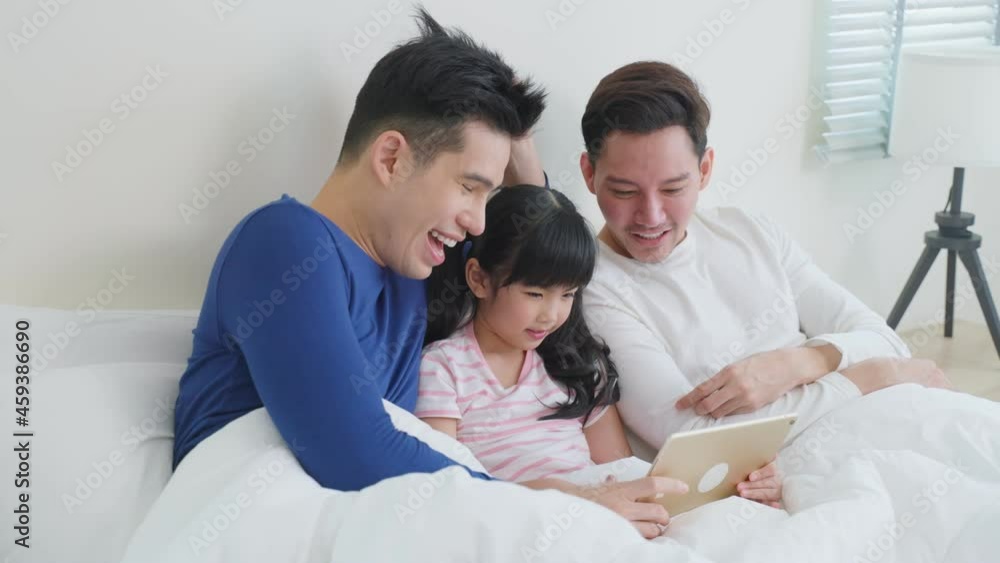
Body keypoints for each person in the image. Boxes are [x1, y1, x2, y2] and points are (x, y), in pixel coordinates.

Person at [170, 10, 683, 534]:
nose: (477, 220)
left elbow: (539, 247)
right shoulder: (284, 242)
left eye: (489, 192)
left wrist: (516, 134)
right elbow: (352, 451)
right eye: (469, 186)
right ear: (392, 158)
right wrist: (557, 504)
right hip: (260, 517)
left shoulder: (417, 262)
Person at [571, 61, 950, 452]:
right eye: (624, 192)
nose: (651, 216)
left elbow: (886, 341)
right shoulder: (592, 290)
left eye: (672, 189)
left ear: (705, 170)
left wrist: (798, 364)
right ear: (589, 174)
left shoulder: (748, 230)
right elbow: (692, 439)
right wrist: (869, 377)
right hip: (800, 455)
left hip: (877, 415)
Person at [417, 185, 783, 538]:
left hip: (603, 521)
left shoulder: (575, 365)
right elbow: (453, 491)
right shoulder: (444, 368)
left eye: (567, 294)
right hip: (529, 524)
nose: (551, 315)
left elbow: (619, 469)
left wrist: (735, 485)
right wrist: (571, 498)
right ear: (479, 279)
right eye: (535, 293)